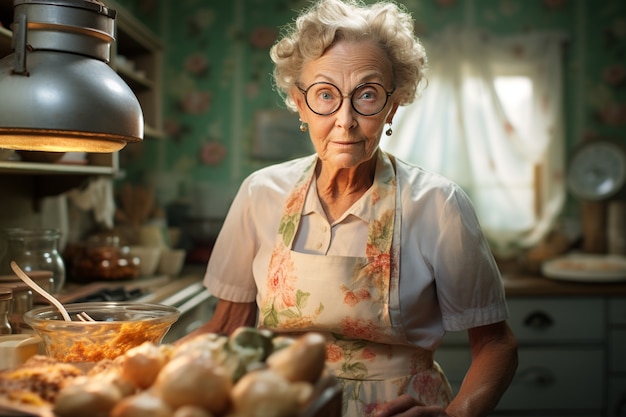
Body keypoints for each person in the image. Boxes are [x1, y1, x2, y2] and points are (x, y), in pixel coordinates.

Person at [182, 0, 518, 415]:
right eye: (325, 95)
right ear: (299, 103)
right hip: (280, 403)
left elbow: (496, 343)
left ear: (393, 106)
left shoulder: (437, 204)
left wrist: (457, 414)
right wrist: (121, 371)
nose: (345, 119)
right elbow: (224, 328)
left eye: (368, 95)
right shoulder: (260, 192)